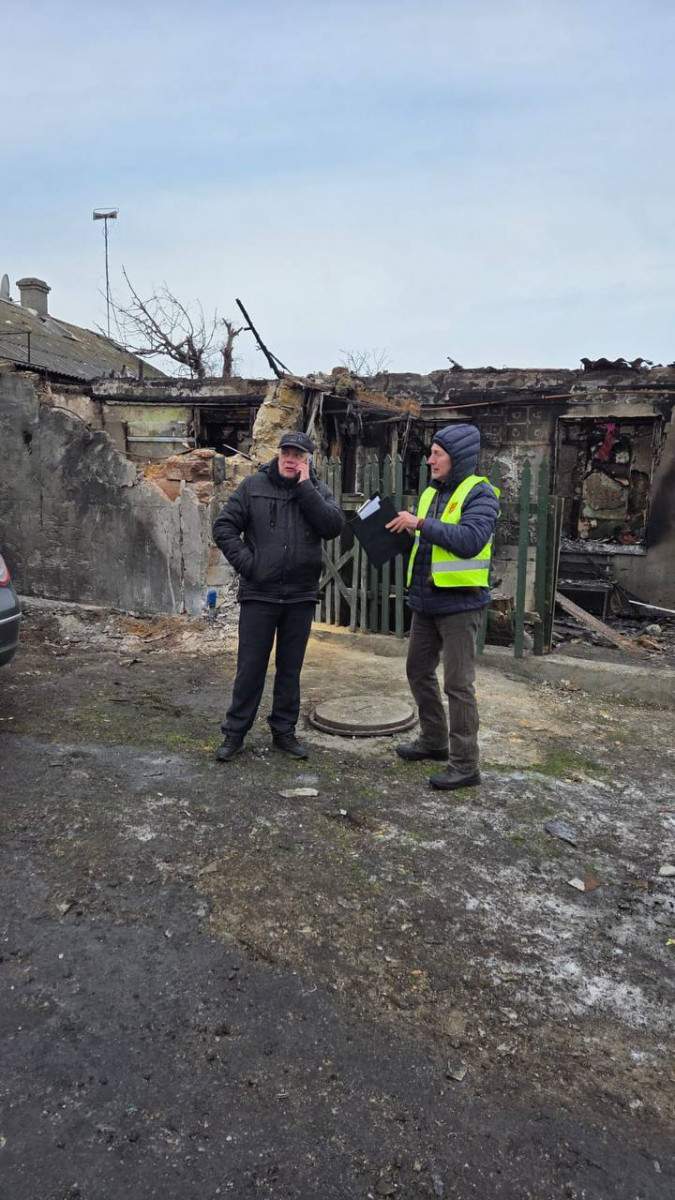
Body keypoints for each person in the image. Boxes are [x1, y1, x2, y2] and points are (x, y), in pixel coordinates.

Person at [212, 431, 345, 762]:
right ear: (279, 454)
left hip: (300, 595)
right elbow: (224, 527)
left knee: (290, 670)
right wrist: (250, 565)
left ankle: (284, 732)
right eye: (286, 453)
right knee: (250, 668)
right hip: (260, 594)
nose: (290, 459)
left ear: (307, 460)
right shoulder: (253, 486)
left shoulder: (316, 489)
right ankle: (235, 733)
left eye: (298, 455)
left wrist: (305, 488)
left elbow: (333, 526)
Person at [386, 424, 499, 790]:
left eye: (437, 454)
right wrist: (406, 531)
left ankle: (465, 765)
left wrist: (421, 523)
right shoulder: (431, 493)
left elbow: (470, 540)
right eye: (431, 453)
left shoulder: (481, 493)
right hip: (427, 600)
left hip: (460, 605)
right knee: (418, 671)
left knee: (458, 685)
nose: (429, 460)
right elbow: (428, 544)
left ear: (457, 457)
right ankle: (434, 741)